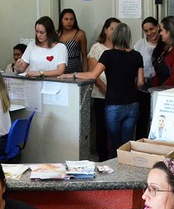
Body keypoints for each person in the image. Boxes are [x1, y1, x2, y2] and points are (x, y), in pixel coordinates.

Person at [59, 23, 144, 158]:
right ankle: (126, 172)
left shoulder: (108, 55)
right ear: (128, 37)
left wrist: (72, 74)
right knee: (127, 143)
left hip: (114, 104)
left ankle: (114, 172)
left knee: (114, 144)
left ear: (115, 36)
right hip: (132, 104)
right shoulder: (137, 56)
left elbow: (93, 75)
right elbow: (140, 82)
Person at [87, 17, 121, 161]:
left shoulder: (122, 48)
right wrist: (106, 90)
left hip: (118, 97)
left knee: (115, 130)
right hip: (101, 95)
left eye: (117, 29)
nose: (114, 32)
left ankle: (115, 158)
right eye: (112, 28)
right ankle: (102, 158)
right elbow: (93, 73)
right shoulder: (97, 48)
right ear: (105, 30)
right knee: (101, 129)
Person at [134, 17, 160, 139]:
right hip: (142, 86)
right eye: (146, 31)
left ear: (158, 27)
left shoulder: (164, 43)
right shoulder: (140, 44)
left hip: (159, 86)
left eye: (152, 29)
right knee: (142, 119)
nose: (150, 33)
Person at [57, 8, 88, 73]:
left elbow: (84, 55)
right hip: (59, 69)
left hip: (75, 69)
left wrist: (85, 73)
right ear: (61, 21)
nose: (69, 22)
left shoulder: (80, 34)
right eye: (66, 19)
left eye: (71, 19)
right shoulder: (56, 34)